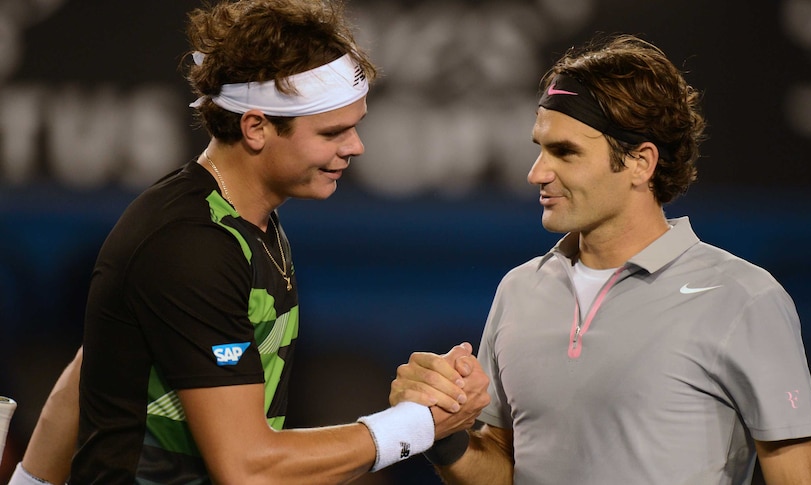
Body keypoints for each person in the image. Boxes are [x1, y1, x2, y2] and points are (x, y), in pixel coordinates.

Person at [8, 1, 489, 483]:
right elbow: (248, 469)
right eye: (332, 132)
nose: (355, 146)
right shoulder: (190, 245)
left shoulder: (243, 222)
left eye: (355, 126)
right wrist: (416, 425)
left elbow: (96, 363)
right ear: (256, 127)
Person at [391, 34, 811, 484]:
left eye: (565, 152)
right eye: (540, 148)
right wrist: (443, 434)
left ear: (640, 162)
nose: (537, 173)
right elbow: (503, 472)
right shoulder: (518, 290)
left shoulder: (744, 298)